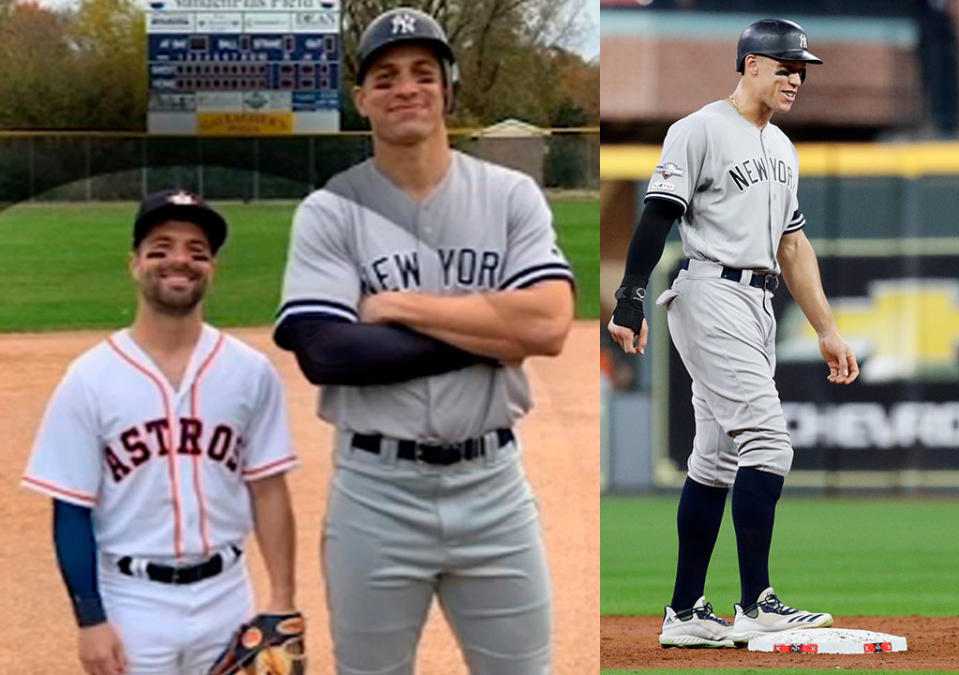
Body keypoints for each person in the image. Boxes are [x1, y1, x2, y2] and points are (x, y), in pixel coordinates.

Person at [272, 6, 574, 674]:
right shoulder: (331, 210)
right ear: (361, 99)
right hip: (376, 491)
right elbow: (329, 353)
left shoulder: (510, 196)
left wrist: (402, 306)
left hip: (492, 485)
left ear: (447, 88)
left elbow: (551, 323)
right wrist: (496, 335)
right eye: (385, 76)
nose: (404, 87)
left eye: (421, 72)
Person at [607, 18, 858, 649]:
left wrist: (827, 328)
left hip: (759, 301)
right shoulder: (698, 130)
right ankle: (756, 604)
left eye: (801, 69)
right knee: (769, 444)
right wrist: (629, 300)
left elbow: (793, 246)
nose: (796, 78)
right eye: (785, 66)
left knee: (715, 460)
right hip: (710, 290)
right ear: (749, 65)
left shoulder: (782, 147)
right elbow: (657, 215)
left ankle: (686, 613)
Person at [21, 189, 300, 674]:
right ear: (135, 265)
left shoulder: (249, 372)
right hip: (132, 602)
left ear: (213, 269)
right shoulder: (90, 378)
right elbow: (70, 509)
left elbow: (268, 488)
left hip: (228, 595)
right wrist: (90, 619)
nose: (179, 261)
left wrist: (282, 600)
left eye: (198, 252)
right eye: (161, 249)